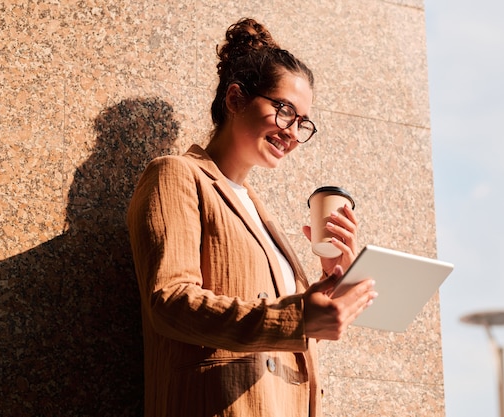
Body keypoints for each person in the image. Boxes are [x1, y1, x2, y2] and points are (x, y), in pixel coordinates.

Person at [127, 17, 378, 417]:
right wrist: (298, 318)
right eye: (284, 111)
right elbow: (169, 302)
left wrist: (331, 285)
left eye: (303, 122)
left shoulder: (263, 217)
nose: (293, 133)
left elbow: (284, 325)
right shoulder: (177, 174)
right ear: (235, 99)